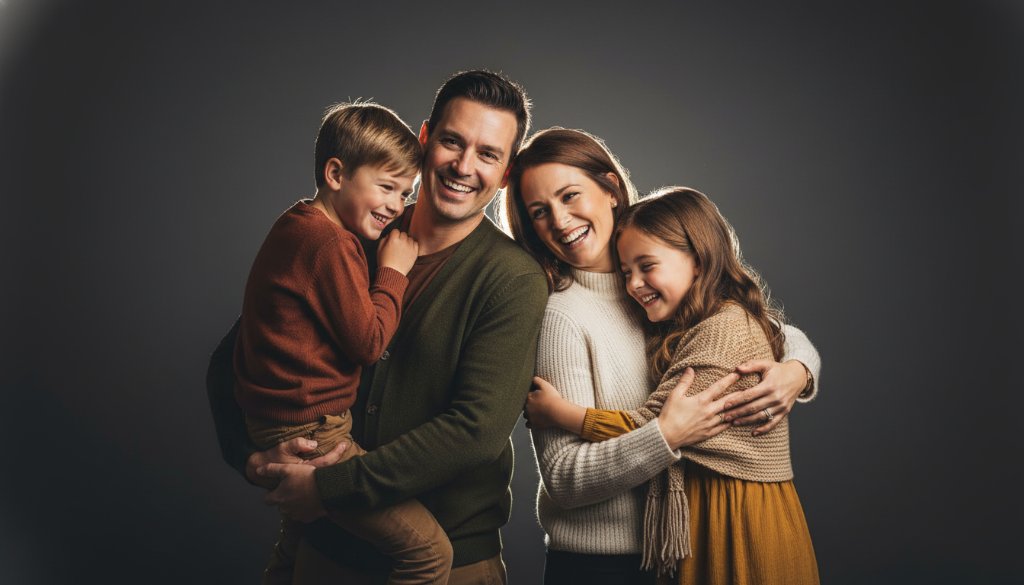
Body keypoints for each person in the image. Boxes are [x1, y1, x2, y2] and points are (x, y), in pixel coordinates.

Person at [207, 70, 549, 585]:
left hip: (450, 560)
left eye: (488, 154)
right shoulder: (352, 232)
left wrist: (331, 487)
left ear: (504, 174)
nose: (463, 166)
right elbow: (237, 353)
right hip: (327, 546)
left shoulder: (512, 278)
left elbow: (473, 432)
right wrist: (251, 455)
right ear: (425, 139)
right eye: (453, 142)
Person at [502, 128, 820, 585]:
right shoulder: (563, 316)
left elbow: (752, 328)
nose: (559, 219)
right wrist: (666, 435)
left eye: (570, 195)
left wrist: (798, 369)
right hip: (602, 565)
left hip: (677, 552)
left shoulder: (659, 287)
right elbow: (564, 478)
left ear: (611, 189)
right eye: (539, 212)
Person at [233, 101, 457, 585]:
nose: (398, 206)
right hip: (315, 430)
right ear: (336, 173)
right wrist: (394, 272)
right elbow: (368, 341)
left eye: (407, 192)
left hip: (278, 422)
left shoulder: (293, 225)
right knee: (431, 554)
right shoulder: (330, 244)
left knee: (294, 552)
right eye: (387, 187)